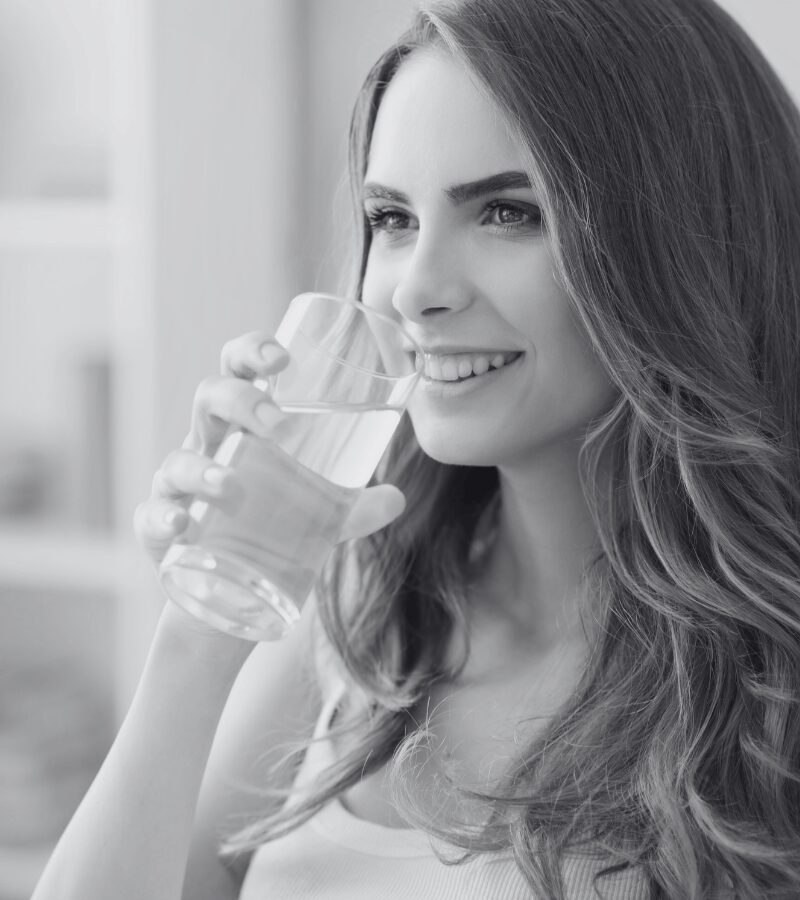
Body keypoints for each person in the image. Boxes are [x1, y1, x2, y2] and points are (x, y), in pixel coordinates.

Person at [32, 0, 800, 897]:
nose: (413, 290)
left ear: (686, 248)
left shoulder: (768, 692)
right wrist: (201, 626)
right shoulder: (354, 617)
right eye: (392, 218)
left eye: (507, 212)